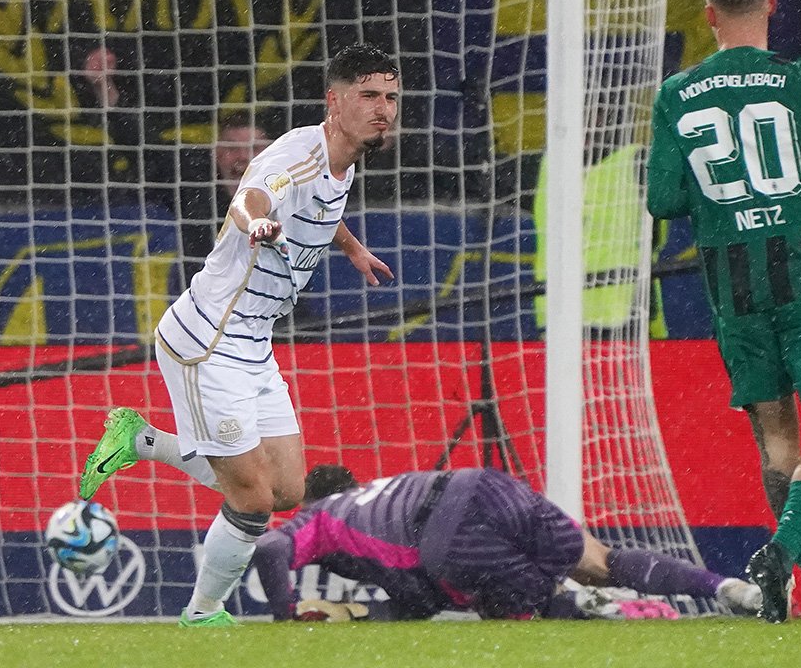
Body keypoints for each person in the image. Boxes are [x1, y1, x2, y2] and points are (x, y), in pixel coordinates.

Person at [77, 44, 399, 627]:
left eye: (391, 97)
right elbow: (250, 200)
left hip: (255, 343)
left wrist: (351, 247)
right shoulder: (292, 157)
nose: (384, 109)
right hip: (208, 339)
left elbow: (320, 209)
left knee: (288, 490)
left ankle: (143, 440)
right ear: (336, 100)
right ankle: (202, 615)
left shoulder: (343, 158)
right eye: (370, 96)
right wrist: (258, 223)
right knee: (250, 499)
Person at [646, 0, 801, 624]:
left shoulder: (676, 94)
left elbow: (662, 199)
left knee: (777, 439)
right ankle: (782, 555)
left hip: (732, 283)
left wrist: (728, 196)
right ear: (772, 5)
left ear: (709, 15)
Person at [252, 465, 761, 621]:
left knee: (516, 615)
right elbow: (408, 605)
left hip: (447, 541)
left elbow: (271, 550)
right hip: (477, 483)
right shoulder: (380, 490)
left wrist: (285, 616)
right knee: (598, 559)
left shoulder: (319, 517)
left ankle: (596, 610)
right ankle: (725, 588)